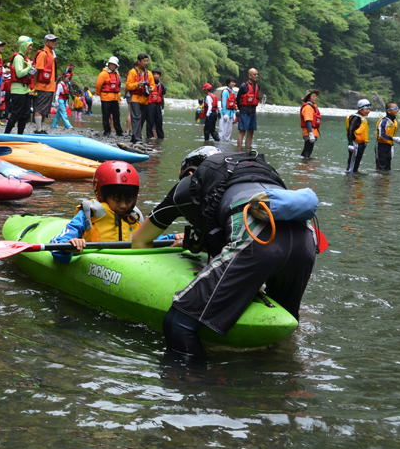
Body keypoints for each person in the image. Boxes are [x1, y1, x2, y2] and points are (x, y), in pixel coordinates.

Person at [131, 147, 319, 360]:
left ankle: (192, 386)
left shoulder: (188, 185)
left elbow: (140, 240)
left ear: (190, 173)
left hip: (256, 236)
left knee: (179, 323)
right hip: (305, 238)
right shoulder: (253, 174)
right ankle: (282, 375)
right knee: (283, 325)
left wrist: (145, 280)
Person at [49, 160, 181, 264]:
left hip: (130, 266)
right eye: (117, 200)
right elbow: (58, 246)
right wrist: (69, 245)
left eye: (129, 200)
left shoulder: (136, 217)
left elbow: (153, 240)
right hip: (96, 264)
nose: (123, 205)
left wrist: (174, 238)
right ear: (102, 194)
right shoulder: (88, 215)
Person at [4, 36, 36, 135]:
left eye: (31, 45)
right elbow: (19, 73)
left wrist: (31, 70)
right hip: (17, 90)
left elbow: (26, 74)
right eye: (29, 45)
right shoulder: (18, 58)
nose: (30, 47)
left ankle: (20, 135)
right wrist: (29, 67)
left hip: (25, 90)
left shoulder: (25, 58)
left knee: (25, 115)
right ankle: (6, 134)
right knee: (16, 114)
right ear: (24, 46)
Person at [32, 33, 58, 134]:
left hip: (50, 87)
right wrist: (34, 85)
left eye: (55, 41)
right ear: (46, 42)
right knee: (39, 108)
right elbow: (37, 70)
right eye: (52, 41)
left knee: (44, 109)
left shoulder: (51, 53)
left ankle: (41, 128)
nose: (54, 42)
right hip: (43, 86)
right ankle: (38, 129)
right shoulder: (43, 54)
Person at [125, 53, 154, 144]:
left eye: (147, 61)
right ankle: (138, 139)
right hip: (135, 98)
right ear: (139, 61)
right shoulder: (133, 72)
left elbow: (153, 85)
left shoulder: (149, 73)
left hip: (145, 100)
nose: (146, 63)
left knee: (142, 119)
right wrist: (138, 84)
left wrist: (152, 88)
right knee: (136, 118)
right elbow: (128, 86)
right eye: (144, 61)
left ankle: (134, 138)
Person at [235, 68, 265, 151]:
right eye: (254, 74)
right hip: (244, 111)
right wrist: (241, 109)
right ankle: (239, 150)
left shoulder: (257, 86)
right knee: (242, 131)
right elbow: (238, 99)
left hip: (253, 112)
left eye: (257, 74)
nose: (256, 76)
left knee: (251, 132)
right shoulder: (244, 86)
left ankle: (248, 149)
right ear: (249, 75)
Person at [96, 56, 123, 137]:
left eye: (114, 65)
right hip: (105, 98)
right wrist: (100, 94)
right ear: (109, 64)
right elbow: (98, 85)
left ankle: (119, 131)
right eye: (111, 64)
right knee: (106, 115)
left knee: (116, 115)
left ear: (116, 66)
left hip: (114, 98)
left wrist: (118, 98)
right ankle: (107, 131)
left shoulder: (117, 74)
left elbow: (118, 86)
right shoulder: (103, 74)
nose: (112, 66)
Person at [375, 102, 400, 171]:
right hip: (381, 147)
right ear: (389, 111)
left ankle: (386, 181)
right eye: (395, 108)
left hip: (389, 146)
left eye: (397, 108)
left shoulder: (394, 121)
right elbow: (381, 134)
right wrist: (393, 139)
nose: (397, 110)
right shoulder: (384, 121)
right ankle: (379, 181)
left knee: (388, 168)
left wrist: (392, 146)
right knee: (381, 168)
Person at [346, 98, 371, 172]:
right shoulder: (356, 117)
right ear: (360, 109)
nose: (368, 111)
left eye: (369, 109)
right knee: (352, 165)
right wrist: (350, 143)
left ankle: (354, 178)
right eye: (366, 109)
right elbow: (350, 130)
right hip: (355, 144)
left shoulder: (362, 118)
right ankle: (350, 179)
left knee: (356, 164)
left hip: (361, 144)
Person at [300, 89, 321, 159]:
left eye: (316, 96)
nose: (315, 98)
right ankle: (305, 166)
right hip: (309, 133)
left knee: (307, 150)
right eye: (313, 96)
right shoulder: (307, 107)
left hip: (312, 132)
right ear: (308, 98)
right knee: (308, 152)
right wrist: (310, 133)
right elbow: (308, 121)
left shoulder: (312, 106)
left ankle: (303, 163)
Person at [145, 69, 165, 140]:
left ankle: (161, 136)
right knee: (150, 120)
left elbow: (162, 95)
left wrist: (162, 106)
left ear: (159, 75)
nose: (156, 76)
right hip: (150, 104)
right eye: (154, 74)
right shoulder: (149, 84)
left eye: (158, 74)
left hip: (157, 104)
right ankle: (149, 135)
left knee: (159, 120)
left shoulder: (161, 85)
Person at [219, 77, 237, 143]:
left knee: (229, 130)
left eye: (234, 82)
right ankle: (220, 142)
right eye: (232, 82)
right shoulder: (225, 91)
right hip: (225, 114)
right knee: (223, 129)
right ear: (228, 83)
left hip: (231, 113)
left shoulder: (234, 92)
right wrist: (225, 113)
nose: (233, 83)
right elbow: (224, 103)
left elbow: (234, 103)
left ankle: (226, 142)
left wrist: (234, 113)